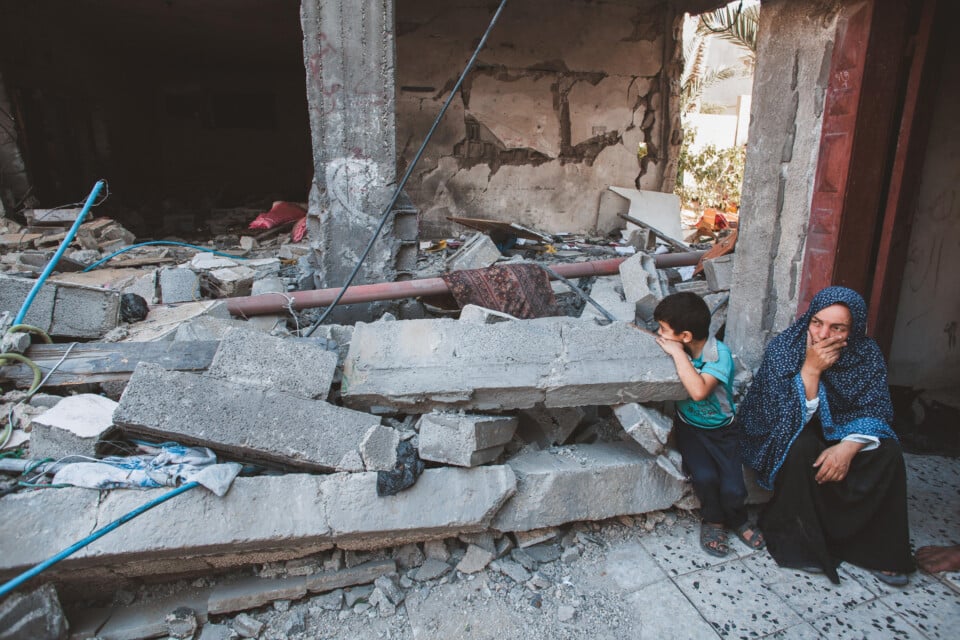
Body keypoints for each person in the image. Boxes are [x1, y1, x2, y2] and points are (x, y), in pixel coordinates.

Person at [737, 286, 914, 586]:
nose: (822, 334)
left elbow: (877, 409)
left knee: (888, 452)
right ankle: (802, 541)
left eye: (837, 328)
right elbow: (776, 418)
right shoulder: (786, 347)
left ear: (852, 331)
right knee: (800, 447)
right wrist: (811, 370)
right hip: (794, 432)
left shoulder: (867, 355)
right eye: (817, 322)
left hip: (846, 433)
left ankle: (877, 549)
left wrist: (847, 447)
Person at [653, 292, 765, 557]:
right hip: (690, 427)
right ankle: (713, 521)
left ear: (686, 337)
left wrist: (677, 355)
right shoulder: (682, 344)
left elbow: (699, 391)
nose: (660, 335)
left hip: (722, 431)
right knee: (704, 477)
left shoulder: (718, 355)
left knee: (733, 486)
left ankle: (738, 520)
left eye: (664, 330)